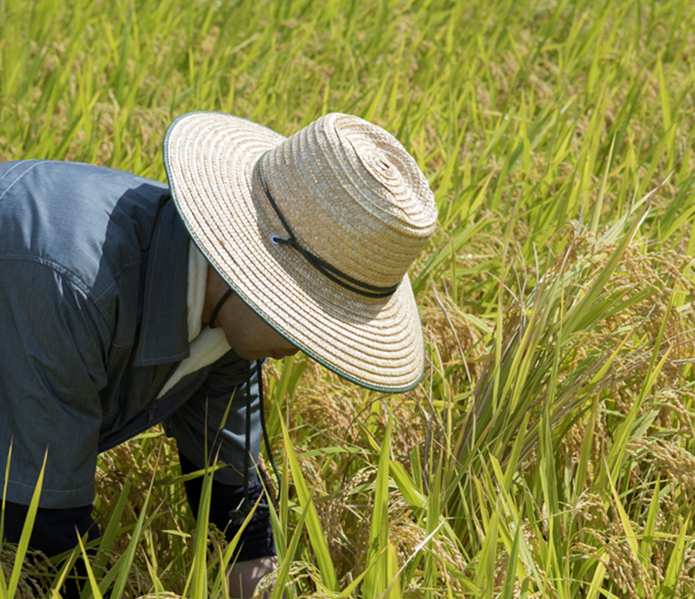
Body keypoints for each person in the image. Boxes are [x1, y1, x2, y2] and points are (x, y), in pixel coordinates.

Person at [0, 111, 437, 598]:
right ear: (254, 271)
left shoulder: (231, 322)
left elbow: (234, 498)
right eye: (306, 318)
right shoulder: (74, 285)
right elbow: (40, 530)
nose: (298, 352)